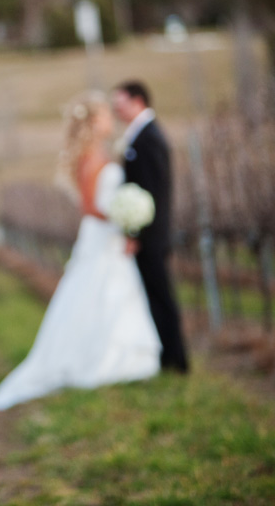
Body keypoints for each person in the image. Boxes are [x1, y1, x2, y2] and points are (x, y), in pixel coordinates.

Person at [0, 93, 161, 411]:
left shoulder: (99, 153)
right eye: (104, 115)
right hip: (101, 234)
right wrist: (122, 216)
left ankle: (123, 360)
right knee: (97, 292)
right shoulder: (90, 157)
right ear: (92, 122)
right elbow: (90, 206)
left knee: (113, 292)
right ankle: (96, 361)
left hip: (107, 236)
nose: (109, 119)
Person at [112, 80, 189, 373]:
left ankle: (176, 360)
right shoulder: (140, 136)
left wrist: (135, 233)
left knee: (162, 297)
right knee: (154, 297)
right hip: (148, 234)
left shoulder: (149, 138)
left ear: (138, 100)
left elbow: (150, 194)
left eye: (120, 104)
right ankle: (166, 356)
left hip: (151, 236)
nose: (117, 111)